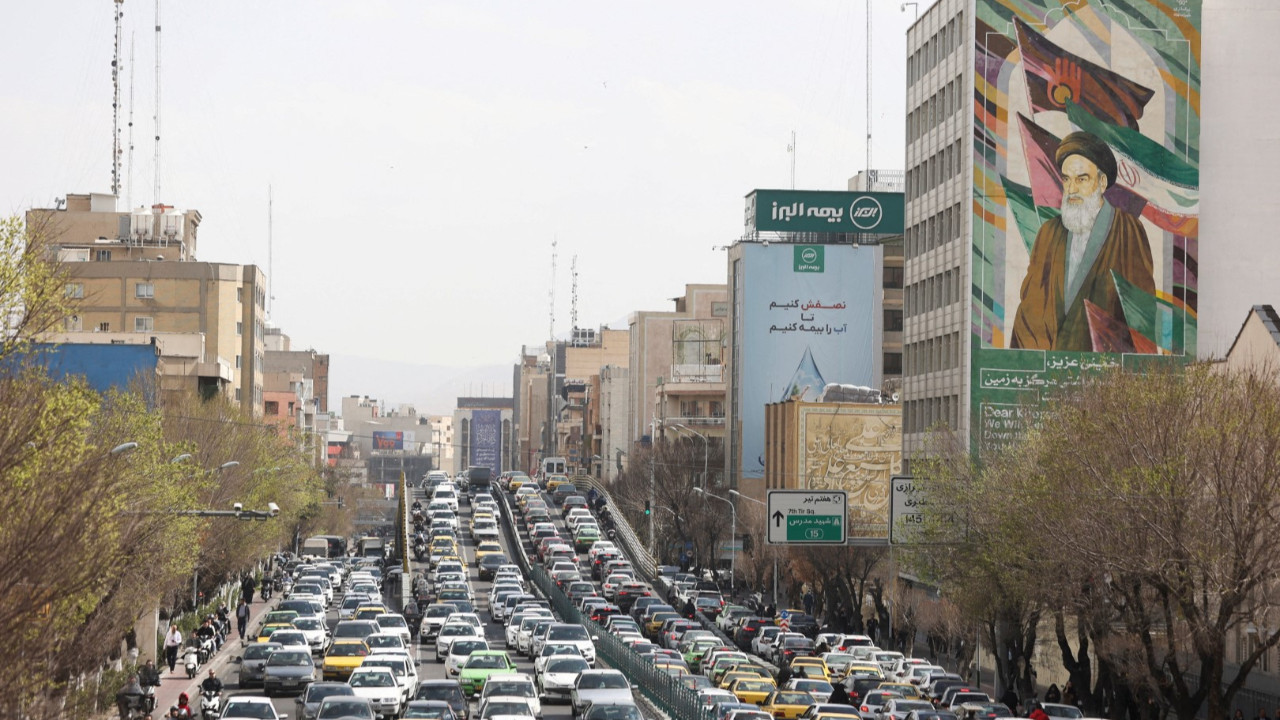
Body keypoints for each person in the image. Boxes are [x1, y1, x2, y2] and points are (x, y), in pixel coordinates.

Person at [1010, 131, 1156, 353]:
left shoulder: (1128, 231)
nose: (1072, 189)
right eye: (1067, 179)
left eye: (1082, 179)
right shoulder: (1048, 233)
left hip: (1106, 375)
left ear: (1102, 182)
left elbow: (1142, 318)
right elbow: (1029, 310)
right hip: (1050, 371)